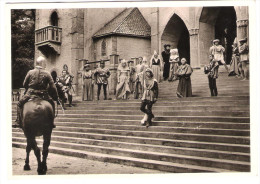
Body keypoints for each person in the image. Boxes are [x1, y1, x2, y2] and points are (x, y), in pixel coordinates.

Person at [13, 56, 58, 128]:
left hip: (30, 94)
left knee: (19, 104)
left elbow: (24, 84)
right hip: (44, 95)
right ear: (42, 63)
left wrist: (28, 89)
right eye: (45, 63)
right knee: (52, 103)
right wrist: (56, 97)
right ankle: (51, 122)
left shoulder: (30, 72)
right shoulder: (47, 73)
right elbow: (53, 86)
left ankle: (19, 121)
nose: (45, 65)